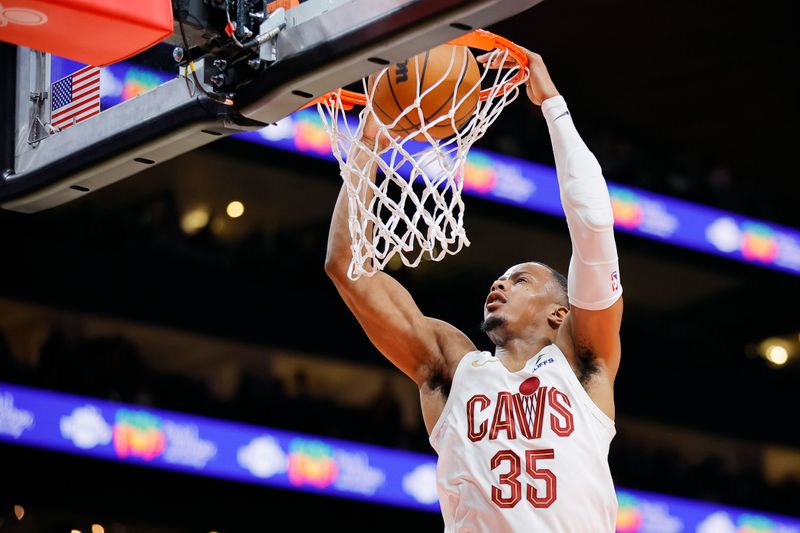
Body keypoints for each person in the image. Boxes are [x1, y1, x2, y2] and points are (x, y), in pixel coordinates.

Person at [324, 48, 623, 532]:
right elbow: (348, 268)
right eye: (500, 278)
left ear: (559, 313)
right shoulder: (453, 366)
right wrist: (369, 144)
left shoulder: (584, 365)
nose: (500, 283)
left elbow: (593, 224)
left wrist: (554, 107)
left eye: (520, 279)